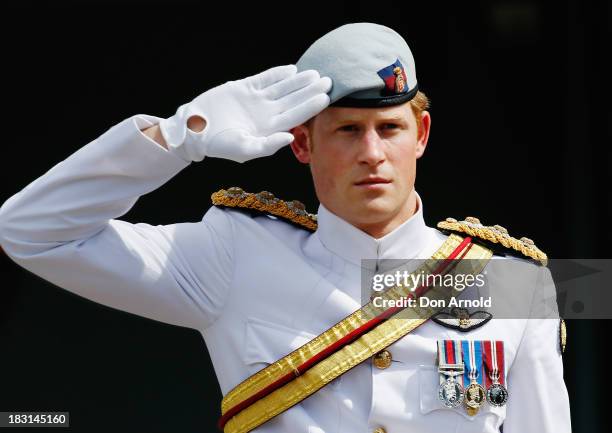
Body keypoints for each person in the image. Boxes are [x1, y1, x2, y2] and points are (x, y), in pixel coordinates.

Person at [0, 23, 570, 433]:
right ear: (302, 143)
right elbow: (29, 231)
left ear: (420, 134)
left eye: (389, 128)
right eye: (347, 130)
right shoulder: (234, 253)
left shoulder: (515, 282)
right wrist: (180, 136)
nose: (372, 153)